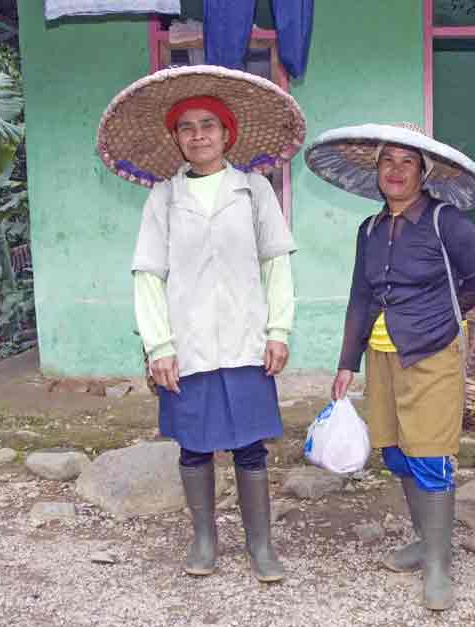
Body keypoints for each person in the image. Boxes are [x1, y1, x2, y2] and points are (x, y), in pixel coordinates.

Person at [97, 65, 307, 582]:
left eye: (208, 125)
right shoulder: (163, 198)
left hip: (245, 340)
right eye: (187, 127)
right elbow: (148, 274)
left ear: (226, 134)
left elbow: (275, 263)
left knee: (250, 445)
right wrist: (159, 345)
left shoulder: (253, 190)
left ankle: (260, 546)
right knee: (194, 444)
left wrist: (278, 330)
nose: (198, 135)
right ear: (176, 139)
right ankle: (204, 540)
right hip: (185, 344)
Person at [305, 123, 475, 610]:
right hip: (382, 356)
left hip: (432, 354)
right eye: (387, 160)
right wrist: (347, 362)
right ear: (377, 170)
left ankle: (439, 565)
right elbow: (361, 296)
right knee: (395, 452)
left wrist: (442, 322)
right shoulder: (369, 229)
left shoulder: (445, 222)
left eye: (406, 161)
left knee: (430, 455)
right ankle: (426, 541)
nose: (395, 170)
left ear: (423, 171)